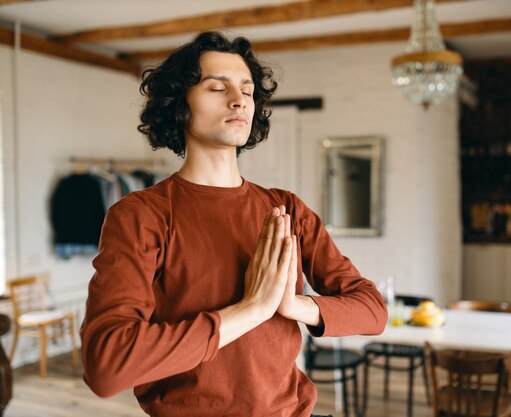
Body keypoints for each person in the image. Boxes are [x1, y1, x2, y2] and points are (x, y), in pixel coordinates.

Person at [80, 31, 387, 417]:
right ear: (180, 104)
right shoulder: (140, 215)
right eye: (215, 87)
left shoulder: (286, 208)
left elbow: (373, 310)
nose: (239, 99)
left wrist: (295, 305)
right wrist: (251, 309)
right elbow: (107, 366)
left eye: (247, 89)